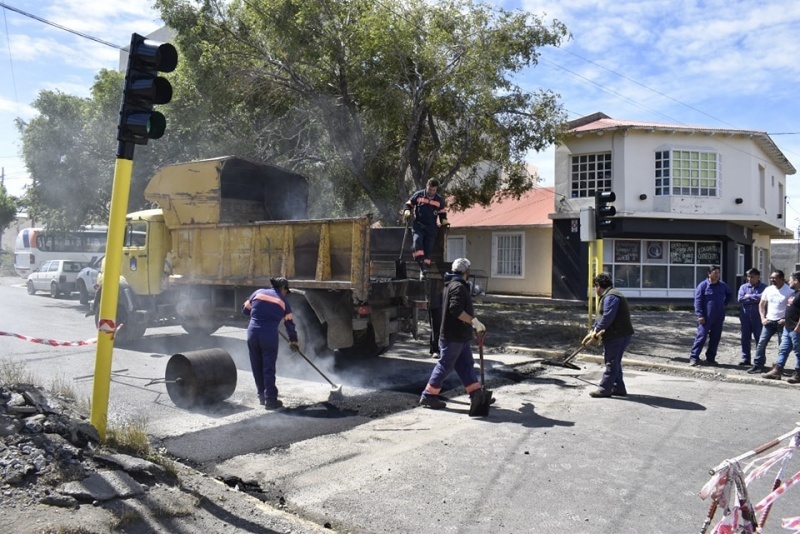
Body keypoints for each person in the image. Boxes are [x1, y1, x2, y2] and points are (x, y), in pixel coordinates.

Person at [418, 257, 486, 413]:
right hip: (453, 336)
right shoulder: (458, 287)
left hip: (460, 336)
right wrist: (473, 321)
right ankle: (428, 395)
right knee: (445, 366)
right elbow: (455, 309)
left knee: (466, 365)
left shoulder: (452, 284)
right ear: (466, 272)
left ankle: (476, 394)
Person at [241, 277, 300, 410]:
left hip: (252, 333)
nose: (286, 293)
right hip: (268, 335)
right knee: (268, 367)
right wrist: (294, 341)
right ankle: (271, 400)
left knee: (256, 365)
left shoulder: (258, 292)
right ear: (283, 288)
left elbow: (245, 310)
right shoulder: (284, 301)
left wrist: (260, 313)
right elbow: (289, 324)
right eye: (286, 291)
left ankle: (262, 397)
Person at [585, 273, 634, 398]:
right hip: (616, 334)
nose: (595, 290)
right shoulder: (608, 295)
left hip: (618, 335)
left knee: (611, 362)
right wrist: (592, 331)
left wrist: (598, 330)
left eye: (595, 287)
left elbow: (608, 317)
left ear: (598, 286)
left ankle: (604, 389)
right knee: (614, 361)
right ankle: (618, 388)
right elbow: (601, 316)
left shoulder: (611, 297)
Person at [403, 178, 449, 279]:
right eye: (429, 189)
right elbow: (408, 204)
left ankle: (424, 270)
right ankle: (422, 266)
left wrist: (444, 220)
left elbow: (442, 213)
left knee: (428, 250)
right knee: (417, 242)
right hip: (418, 225)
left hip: (431, 228)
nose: (431, 192)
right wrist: (407, 211)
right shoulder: (419, 195)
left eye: (433, 190)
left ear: (436, 189)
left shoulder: (438, 199)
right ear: (426, 186)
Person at [750, 270, 793, 374]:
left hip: (781, 323)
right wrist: (762, 318)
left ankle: (779, 368)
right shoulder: (768, 290)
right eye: (771, 278)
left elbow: (792, 309)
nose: (772, 280)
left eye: (775, 278)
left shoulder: (789, 291)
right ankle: (758, 365)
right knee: (761, 344)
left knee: (782, 346)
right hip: (769, 321)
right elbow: (761, 304)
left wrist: (785, 320)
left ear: (782, 279)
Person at [689, 265, 733, 366]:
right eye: (715, 273)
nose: (717, 275)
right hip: (706, 317)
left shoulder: (722, 285)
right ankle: (694, 358)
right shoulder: (703, 285)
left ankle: (710, 358)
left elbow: (730, 294)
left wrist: (724, 304)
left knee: (715, 337)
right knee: (701, 337)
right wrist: (700, 315)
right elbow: (698, 301)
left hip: (718, 317)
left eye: (718, 273)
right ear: (709, 274)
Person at [763, 272, 800, 383]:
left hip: (796, 329)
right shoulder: (795, 293)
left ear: (797, 281)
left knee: (798, 352)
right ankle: (777, 371)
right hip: (788, 327)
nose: (789, 282)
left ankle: (798, 374)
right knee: (783, 349)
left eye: (790, 280)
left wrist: (798, 326)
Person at [737, 268, 766, 366]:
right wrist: (755, 298)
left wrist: (748, 296)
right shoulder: (743, 287)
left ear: (758, 277)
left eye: (752, 277)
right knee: (745, 338)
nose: (750, 279)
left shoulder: (764, 287)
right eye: (748, 277)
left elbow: (763, 298)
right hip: (745, 317)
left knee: (759, 339)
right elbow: (740, 299)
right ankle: (746, 359)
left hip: (758, 317)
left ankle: (759, 360)